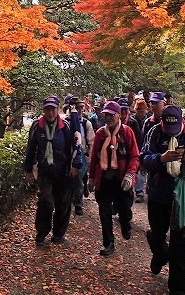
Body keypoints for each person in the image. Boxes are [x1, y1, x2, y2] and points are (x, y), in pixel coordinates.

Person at [140, 104, 185, 295]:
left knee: (181, 244)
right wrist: (161, 158)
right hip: (158, 194)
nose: (171, 133)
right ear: (162, 122)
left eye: (175, 129)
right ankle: (160, 254)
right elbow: (143, 157)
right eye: (167, 128)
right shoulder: (154, 132)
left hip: (182, 197)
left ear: (182, 122)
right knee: (157, 234)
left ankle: (178, 288)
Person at [23, 95, 83, 246]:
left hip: (63, 171)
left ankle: (59, 234)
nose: (50, 113)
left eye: (53, 109)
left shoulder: (66, 126)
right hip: (45, 171)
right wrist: (28, 169)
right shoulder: (38, 125)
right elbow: (31, 148)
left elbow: (75, 146)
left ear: (57, 109)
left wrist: (75, 165)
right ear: (43, 110)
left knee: (63, 204)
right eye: (47, 109)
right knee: (45, 202)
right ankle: (41, 233)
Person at [88, 100, 140, 256]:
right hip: (104, 178)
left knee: (124, 208)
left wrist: (130, 174)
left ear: (118, 115)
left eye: (112, 115)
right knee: (104, 212)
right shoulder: (100, 134)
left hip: (122, 178)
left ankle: (126, 224)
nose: (108, 118)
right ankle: (108, 243)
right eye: (106, 115)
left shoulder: (127, 132)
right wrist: (91, 178)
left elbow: (135, 156)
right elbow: (94, 158)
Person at [67, 97, 95, 215]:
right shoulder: (66, 122)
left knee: (78, 179)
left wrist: (91, 158)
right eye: (76, 108)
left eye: (81, 108)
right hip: (68, 155)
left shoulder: (86, 123)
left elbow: (91, 141)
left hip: (82, 155)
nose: (79, 111)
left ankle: (78, 203)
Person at [132, 98, 150, 202]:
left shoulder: (149, 121)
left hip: (148, 147)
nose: (140, 113)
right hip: (137, 147)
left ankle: (148, 189)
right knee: (138, 170)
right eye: (138, 111)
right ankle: (139, 192)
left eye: (142, 111)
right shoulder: (133, 121)